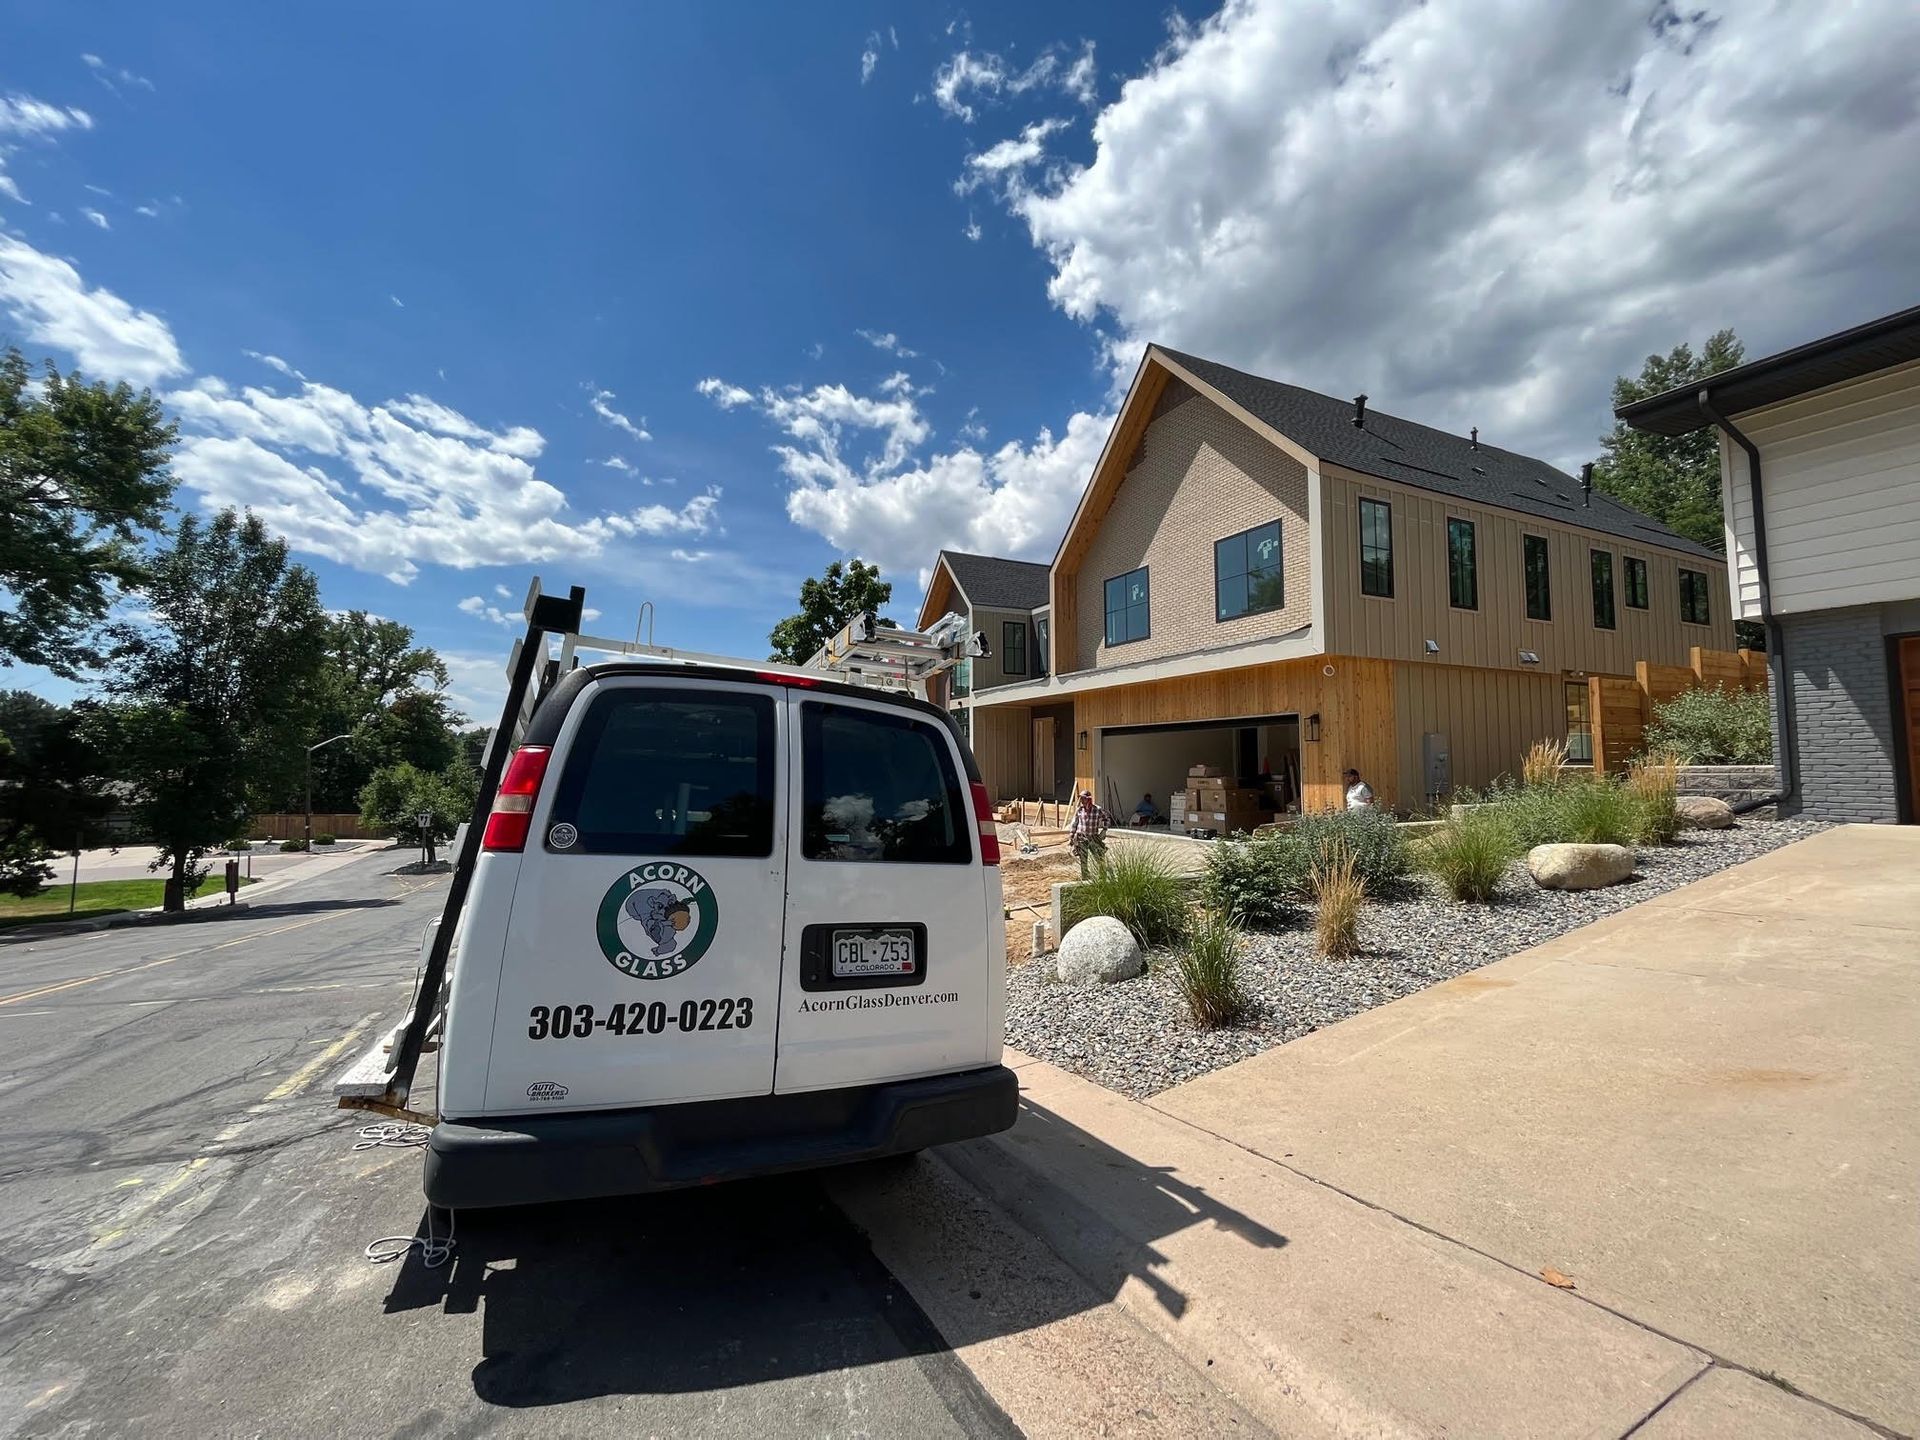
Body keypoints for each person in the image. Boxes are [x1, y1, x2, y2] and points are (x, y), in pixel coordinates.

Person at [1068, 789, 1110, 877]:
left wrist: (1104, 830)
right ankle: (1085, 877)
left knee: (1099, 857)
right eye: (1081, 799)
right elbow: (1074, 823)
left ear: (1089, 799)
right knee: (1083, 859)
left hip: (1093, 837)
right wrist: (1071, 836)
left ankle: (1103, 876)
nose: (1082, 801)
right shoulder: (1079, 810)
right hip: (1081, 837)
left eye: (1084, 799)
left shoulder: (1097, 809)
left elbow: (1107, 819)